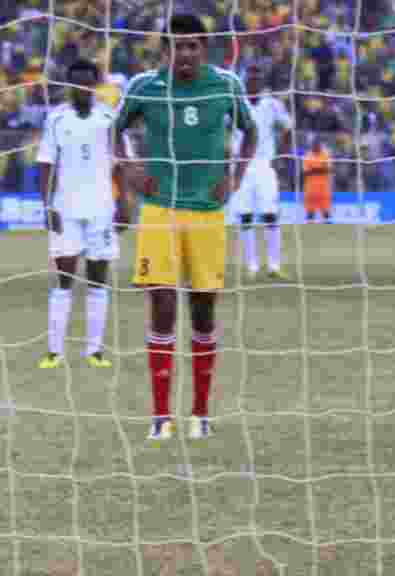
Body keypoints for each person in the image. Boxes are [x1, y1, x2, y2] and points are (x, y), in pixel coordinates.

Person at [115, 13, 257, 441]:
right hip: (159, 209)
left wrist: (236, 177)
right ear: (166, 50)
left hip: (207, 213)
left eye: (194, 45)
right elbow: (113, 131)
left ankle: (200, 413)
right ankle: (161, 416)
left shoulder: (226, 85)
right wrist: (129, 168)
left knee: (203, 307)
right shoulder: (144, 86)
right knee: (161, 303)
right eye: (179, 46)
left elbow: (251, 133)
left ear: (205, 47)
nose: (187, 53)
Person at [37, 59, 126, 369]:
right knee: (64, 278)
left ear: (94, 84)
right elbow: (46, 163)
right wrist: (47, 205)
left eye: (86, 83)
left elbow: (121, 162)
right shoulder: (56, 119)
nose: (81, 89)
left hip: (102, 209)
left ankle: (94, 351)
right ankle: (54, 352)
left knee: (98, 280)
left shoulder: (108, 117)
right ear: (68, 86)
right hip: (65, 209)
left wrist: (124, 202)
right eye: (75, 84)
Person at [233, 65, 293, 279]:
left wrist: (282, 157)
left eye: (257, 78)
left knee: (270, 214)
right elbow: (222, 131)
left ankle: (274, 266)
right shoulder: (234, 104)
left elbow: (287, 128)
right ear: (244, 81)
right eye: (250, 78)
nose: (254, 82)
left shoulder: (272, 105)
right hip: (240, 165)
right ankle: (251, 266)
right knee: (246, 216)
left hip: (264, 164)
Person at [302, 139, 331, 222]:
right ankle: (309, 228)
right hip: (310, 189)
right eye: (314, 145)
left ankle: (329, 229)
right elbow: (306, 172)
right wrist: (320, 169)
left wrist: (314, 169)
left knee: (326, 211)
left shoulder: (325, 156)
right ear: (312, 146)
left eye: (318, 145)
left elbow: (328, 169)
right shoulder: (307, 156)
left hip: (323, 188)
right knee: (310, 211)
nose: (316, 147)